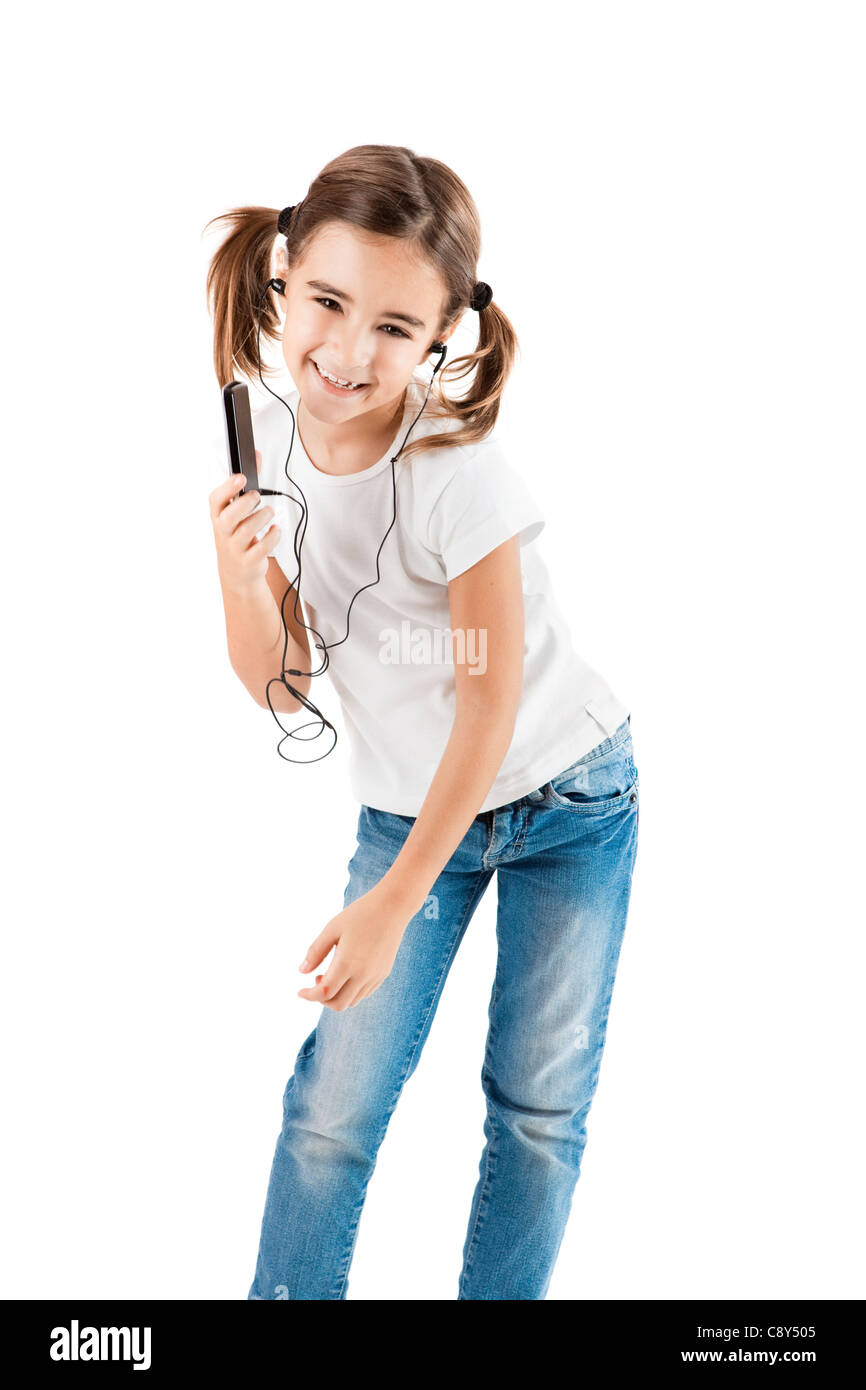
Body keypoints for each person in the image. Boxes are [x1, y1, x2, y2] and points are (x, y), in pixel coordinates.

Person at [204, 144, 640, 1300]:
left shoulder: (459, 472)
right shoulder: (277, 450)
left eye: (394, 328)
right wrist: (239, 577)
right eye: (329, 304)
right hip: (411, 805)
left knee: (537, 1108)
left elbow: (490, 705)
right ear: (282, 281)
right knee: (331, 1107)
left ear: (442, 334)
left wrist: (393, 902)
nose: (349, 353)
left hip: (564, 797)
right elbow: (282, 683)